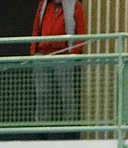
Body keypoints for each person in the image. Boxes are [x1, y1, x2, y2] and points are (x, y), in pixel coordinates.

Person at [29, 0, 86, 138]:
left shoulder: (75, 6)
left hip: (64, 54)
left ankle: (69, 130)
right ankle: (41, 130)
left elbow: (81, 33)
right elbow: (36, 28)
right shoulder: (43, 5)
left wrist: (73, 54)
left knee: (66, 95)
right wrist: (33, 52)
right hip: (42, 55)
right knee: (42, 94)